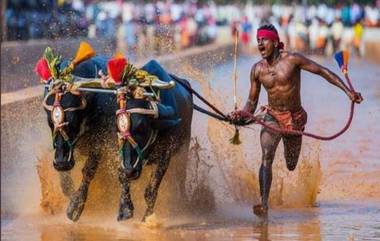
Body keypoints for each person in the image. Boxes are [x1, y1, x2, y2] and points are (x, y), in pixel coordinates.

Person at [230, 24, 363, 217]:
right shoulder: (257, 70)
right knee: (266, 156)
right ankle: (264, 205)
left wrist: (348, 92)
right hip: (272, 117)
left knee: (291, 164)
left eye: (264, 40)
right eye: (258, 40)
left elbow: (323, 71)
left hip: (294, 119)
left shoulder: (293, 60)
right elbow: (251, 102)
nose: (259, 43)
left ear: (275, 42)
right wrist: (241, 115)